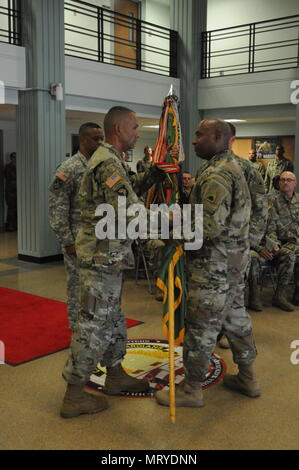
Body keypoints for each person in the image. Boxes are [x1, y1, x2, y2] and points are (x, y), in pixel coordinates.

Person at [60, 106, 166, 419]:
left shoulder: (112, 160)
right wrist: (178, 223)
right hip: (100, 261)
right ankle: (74, 394)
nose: (137, 132)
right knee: (93, 326)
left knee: (114, 321)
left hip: (109, 258)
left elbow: (128, 197)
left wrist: (159, 174)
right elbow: (131, 212)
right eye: (134, 127)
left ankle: (116, 374)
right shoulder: (108, 163)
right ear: (119, 129)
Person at [155, 119, 260, 408]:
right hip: (233, 264)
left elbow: (208, 227)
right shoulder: (230, 167)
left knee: (202, 325)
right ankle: (248, 377)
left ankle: (192, 388)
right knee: (236, 319)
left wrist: (169, 230)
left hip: (212, 267)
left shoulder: (217, 173)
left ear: (217, 136)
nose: (194, 140)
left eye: (199, 135)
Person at [49, 123, 104, 331]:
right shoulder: (68, 168)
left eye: (101, 138)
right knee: (77, 286)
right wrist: (68, 241)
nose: (99, 142)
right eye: (95, 138)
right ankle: (77, 329)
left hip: (99, 239)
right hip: (78, 241)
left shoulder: (101, 166)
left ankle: (94, 325)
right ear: (82, 140)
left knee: (97, 285)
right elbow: (57, 210)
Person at [250, 171, 299, 312]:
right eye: (282, 180)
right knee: (253, 258)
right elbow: (258, 231)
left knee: (292, 253)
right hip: (262, 245)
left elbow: (272, 227)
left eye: (289, 180)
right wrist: (262, 247)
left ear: (295, 183)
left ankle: (288, 295)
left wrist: (275, 245)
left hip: (286, 243)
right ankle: (254, 297)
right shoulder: (269, 201)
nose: (285, 182)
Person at [4, 152, 17, 232]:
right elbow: (10, 178)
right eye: (13, 157)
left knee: (16, 209)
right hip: (10, 191)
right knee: (11, 209)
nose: (15, 159)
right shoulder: (8, 167)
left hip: (16, 191)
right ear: (11, 158)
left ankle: (16, 225)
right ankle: (10, 226)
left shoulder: (19, 166)